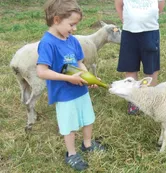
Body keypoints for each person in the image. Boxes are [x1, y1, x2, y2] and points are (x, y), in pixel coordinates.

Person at [36, 0, 104, 171]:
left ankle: (87, 144)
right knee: (70, 125)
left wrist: (89, 78)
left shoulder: (72, 40)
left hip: (80, 90)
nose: (74, 29)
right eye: (72, 24)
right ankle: (71, 154)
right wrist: (68, 78)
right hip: (64, 94)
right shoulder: (47, 43)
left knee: (88, 118)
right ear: (57, 20)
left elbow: (80, 63)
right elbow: (42, 72)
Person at [115, 0, 165, 115]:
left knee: (151, 67)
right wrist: (124, 19)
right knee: (130, 66)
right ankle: (134, 100)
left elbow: (160, 5)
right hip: (129, 32)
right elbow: (119, 3)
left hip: (150, 31)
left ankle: (150, 99)